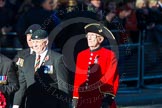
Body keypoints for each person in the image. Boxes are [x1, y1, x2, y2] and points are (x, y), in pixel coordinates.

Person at [12, 29, 70, 108]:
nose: (34, 45)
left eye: (37, 42)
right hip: (31, 104)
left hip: (50, 105)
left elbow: (63, 88)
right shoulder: (27, 60)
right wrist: (16, 105)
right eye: (33, 41)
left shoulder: (57, 59)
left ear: (46, 42)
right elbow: (22, 85)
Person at [72, 23, 119, 108]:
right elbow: (78, 78)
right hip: (84, 99)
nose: (89, 38)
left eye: (93, 35)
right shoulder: (81, 55)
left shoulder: (109, 55)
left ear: (100, 39)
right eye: (88, 35)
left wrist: (108, 99)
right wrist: (75, 98)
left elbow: (111, 78)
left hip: (100, 98)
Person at [13, 24, 41, 108]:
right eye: (28, 36)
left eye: (31, 37)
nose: (29, 39)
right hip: (24, 97)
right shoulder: (21, 54)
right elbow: (12, 70)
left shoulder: (48, 55)